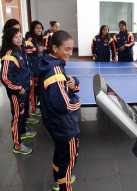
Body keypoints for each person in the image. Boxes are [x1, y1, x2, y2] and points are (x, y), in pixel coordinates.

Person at [38, 30, 80, 191]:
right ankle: (64, 184)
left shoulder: (48, 62)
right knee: (68, 161)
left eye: (71, 48)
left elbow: (61, 87)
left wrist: (73, 83)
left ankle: (57, 180)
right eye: (66, 49)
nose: (70, 52)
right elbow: (65, 105)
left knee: (60, 153)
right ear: (55, 48)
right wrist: (78, 101)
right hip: (65, 126)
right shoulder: (55, 71)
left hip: (52, 122)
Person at [0, 27, 37, 155]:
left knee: (22, 115)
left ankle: (22, 133)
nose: (19, 38)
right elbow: (4, 78)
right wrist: (18, 88)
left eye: (20, 35)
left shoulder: (20, 50)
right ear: (10, 39)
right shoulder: (8, 56)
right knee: (17, 117)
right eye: (16, 36)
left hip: (24, 89)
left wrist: (29, 80)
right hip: (17, 93)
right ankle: (17, 145)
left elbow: (25, 68)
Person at [25, 20, 45, 114]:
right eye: (37, 27)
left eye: (41, 28)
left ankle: (38, 107)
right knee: (32, 92)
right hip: (32, 71)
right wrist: (37, 49)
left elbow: (42, 53)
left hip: (40, 70)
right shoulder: (29, 40)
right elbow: (27, 51)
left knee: (40, 89)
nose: (39, 29)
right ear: (33, 29)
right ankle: (33, 111)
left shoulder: (40, 39)